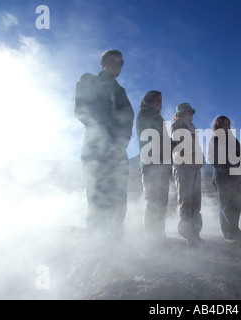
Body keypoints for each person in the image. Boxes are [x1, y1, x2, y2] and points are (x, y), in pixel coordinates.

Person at [74, 49, 134, 242]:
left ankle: (116, 244)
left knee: (119, 200)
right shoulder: (88, 81)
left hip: (117, 152)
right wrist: (105, 134)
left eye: (120, 63)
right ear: (103, 64)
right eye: (113, 61)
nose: (117, 65)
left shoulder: (121, 92)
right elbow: (82, 110)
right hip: (95, 149)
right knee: (97, 199)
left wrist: (121, 143)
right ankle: (97, 245)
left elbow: (129, 120)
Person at [135, 91, 172, 246]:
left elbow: (165, 141)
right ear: (148, 100)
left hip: (163, 165)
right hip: (151, 165)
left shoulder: (159, 119)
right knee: (152, 202)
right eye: (156, 99)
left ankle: (160, 237)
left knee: (162, 203)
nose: (159, 102)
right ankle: (152, 240)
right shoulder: (144, 116)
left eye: (161, 100)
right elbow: (150, 140)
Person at [208, 116, 241, 243]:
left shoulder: (234, 140)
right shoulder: (215, 140)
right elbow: (212, 159)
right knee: (225, 207)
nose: (226, 127)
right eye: (224, 124)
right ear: (218, 126)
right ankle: (229, 235)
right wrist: (226, 170)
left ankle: (235, 232)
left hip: (235, 178)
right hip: (222, 178)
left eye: (228, 124)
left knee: (236, 206)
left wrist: (240, 172)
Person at [171, 103, 204, 247]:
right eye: (189, 111)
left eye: (191, 111)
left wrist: (199, 161)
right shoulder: (178, 123)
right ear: (183, 112)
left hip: (194, 167)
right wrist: (192, 161)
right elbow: (177, 147)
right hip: (184, 166)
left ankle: (195, 234)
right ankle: (188, 236)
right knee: (186, 201)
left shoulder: (192, 126)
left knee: (196, 201)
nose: (191, 114)